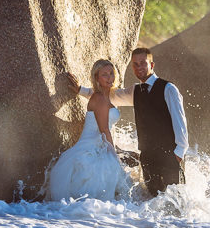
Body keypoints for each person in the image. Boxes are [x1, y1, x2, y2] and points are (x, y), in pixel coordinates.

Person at [68, 47, 188, 197]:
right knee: (153, 201)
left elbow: (180, 123)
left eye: (143, 63)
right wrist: (80, 90)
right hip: (147, 157)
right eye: (135, 64)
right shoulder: (135, 91)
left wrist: (178, 154)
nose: (139, 68)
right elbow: (107, 96)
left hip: (170, 156)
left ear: (152, 65)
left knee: (177, 201)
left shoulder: (168, 89)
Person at [49, 59, 130, 201]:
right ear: (96, 78)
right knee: (93, 202)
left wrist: (80, 89)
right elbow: (104, 129)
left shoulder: (105, 96)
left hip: (99, 147)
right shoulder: (99, 98)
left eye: (111, 73)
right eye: (104, 74)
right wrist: (115, 156)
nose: (110, 77)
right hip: (91, 152)